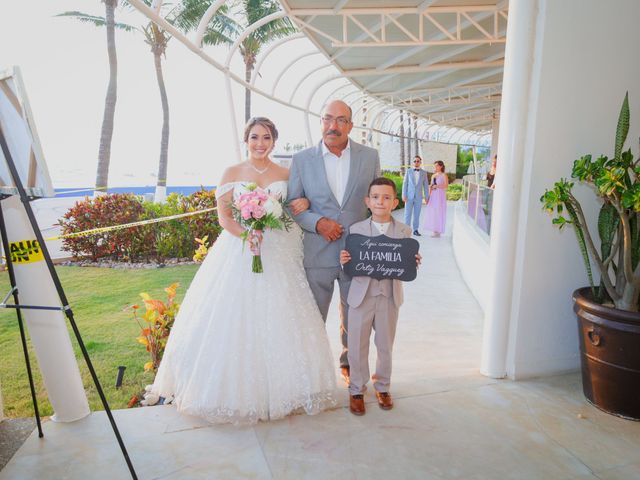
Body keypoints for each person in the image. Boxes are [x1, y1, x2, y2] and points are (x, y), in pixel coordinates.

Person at [147, 117, 337, 425]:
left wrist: (299, 203)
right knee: (232, 315)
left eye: (266, 138)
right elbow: (224, 217)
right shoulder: (232, 173)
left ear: (274, 141)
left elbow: (293, 208)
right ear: (245, 140)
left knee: (280, 314)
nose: (260, 143)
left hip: (277, 251)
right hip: (238, 249)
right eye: (254, 137)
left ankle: (285, 388)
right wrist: (246, 234)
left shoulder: (286, 174)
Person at [288, 100, 380, 386]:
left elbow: (378, 201)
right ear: (321, 122)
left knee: (356, 316)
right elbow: (294, 205)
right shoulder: (302, 160)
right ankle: (311, 374)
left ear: (351, 125)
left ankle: (352, 369)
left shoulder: (370, 156)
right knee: (313, 316)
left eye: (341, 120)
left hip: (358, 253)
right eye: (328, 119)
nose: (333, 126)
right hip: (317, 252)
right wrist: (318, 223)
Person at [339, 177, 419, 416]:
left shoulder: (404, 232)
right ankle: (356, 389)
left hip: (389, 296)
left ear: (395, 202)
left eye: (386, 197)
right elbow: (351, 264)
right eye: (375, 197)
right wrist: (344, 261)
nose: (380, 202)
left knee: (385, 345)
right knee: (356, 345)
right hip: (361, 296)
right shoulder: (356, 231)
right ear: (367, 201)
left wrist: (413, 263)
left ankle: (383, 386)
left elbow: (405, 264)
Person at [402, 155, 430, 236]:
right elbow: (405, 183)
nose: (416, 162)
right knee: (407, 214)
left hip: (418, 197)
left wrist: (427, 197)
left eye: (418, 161)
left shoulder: (424, 173)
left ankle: (415, 230)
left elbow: (425, 186)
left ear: (420, 162)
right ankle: (406, 230)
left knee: (417, 214)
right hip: (408, 197)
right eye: (415, 161)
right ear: (413, 162)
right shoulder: (409, 171)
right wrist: (404, 195)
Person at [423, 160, 448, 237]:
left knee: (439, 212)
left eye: (437, 165)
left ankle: (438, 231)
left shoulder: (444, 175)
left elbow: (446, 186)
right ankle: (434, 231)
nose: (435, 167)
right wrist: (428, 197)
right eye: (434, 166)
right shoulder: (433, 176)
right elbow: (431, 186)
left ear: (441, 166)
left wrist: (437, 186)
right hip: (433, 195)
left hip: (440, 196)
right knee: (433, 212)